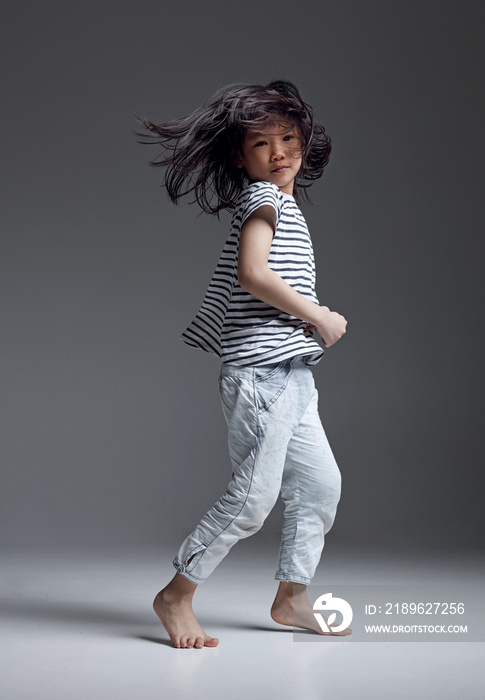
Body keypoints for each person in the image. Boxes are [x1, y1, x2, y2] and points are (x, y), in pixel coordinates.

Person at [136, 79, 349, 648]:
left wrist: (306, 321)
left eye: (288, 139)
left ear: (305, 142)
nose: (279, 153)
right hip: (260, 378)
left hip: (293, 377)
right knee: (253, 499)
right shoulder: (262, 199)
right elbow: (252, 275)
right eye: (262, 144)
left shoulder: (285, 203)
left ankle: (292, 597)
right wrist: (320, 318)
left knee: (320, 487)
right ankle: (175, 595)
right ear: (240, 155)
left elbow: (268, 285)